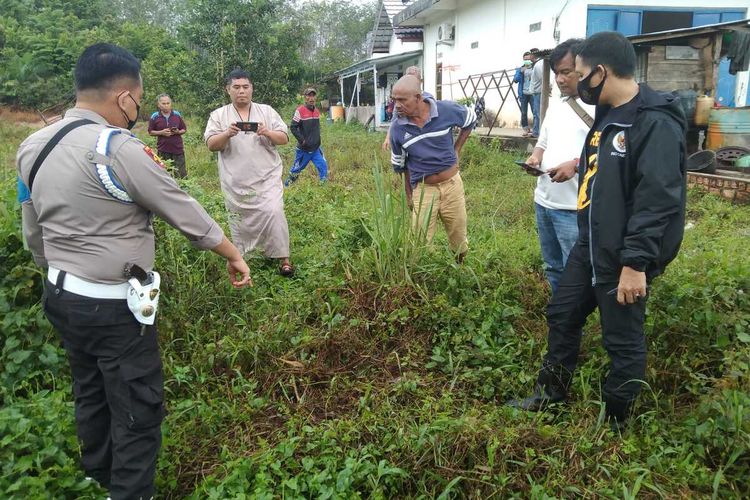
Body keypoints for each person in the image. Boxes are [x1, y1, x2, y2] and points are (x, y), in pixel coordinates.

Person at [16, 43, 251, 499]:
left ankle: (98, 474)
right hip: (112, 306)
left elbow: (33, 225)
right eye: (139, 100)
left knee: (89, 387)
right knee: (136, 405)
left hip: (61, 295)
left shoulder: (33, 145)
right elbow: (180, 208)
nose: (139, 109)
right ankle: (128, 491)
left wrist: (53, 271)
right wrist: (231, 253)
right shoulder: (116, 148)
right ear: (125, 97)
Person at [508, 31, 687, 430]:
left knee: (621, 338)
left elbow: (657, 200)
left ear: (602, 73)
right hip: (591, 240)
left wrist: (634, 264)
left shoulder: (653, 122)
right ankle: (550, 395)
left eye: (582, 74)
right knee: (563, 313)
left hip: (624, 254)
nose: (578, 83)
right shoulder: (610, 114)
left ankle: (614, 420)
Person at [204, 69, 294, 276]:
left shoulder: (266, 111)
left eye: (246, 87)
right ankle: (244, 257)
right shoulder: (219, 115)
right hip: (235, 180)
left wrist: (266, 132)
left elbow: (284, 138)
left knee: (274, 212)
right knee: (240, 220)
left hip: (266, 178)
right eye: (236, 87)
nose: (241, 91)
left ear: (252, 89)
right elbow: (211, 144)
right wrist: (227, 133)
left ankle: (284, 258)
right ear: (228, 90)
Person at [523, 38, 592, 295]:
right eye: (556, 74)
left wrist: (575, 165)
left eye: (566, 72)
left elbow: (607, 152)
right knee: (553, 266)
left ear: (584, 68)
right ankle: (560, 314)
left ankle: (574, 318)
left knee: (575, 268)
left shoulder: (601, 106)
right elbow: (544, 139)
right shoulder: (557, 102)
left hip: (573, 207)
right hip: (544, 200)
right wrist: (536, 158)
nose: (560, 80)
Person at [389, 75, 477, 262]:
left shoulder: (445, 110)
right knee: (419, 242)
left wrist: (457, 149)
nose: (397, 105)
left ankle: (460, 272)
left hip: (452, 185)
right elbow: (401, 166)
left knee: (458, 237)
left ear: (418, 98)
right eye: (394, 100)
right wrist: (409, 194)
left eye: (402, 100)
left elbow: (471, 118)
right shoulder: (397, 128)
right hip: (423, 190)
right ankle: (425, 280)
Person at [285, 87, 328, 186]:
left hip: (316, 149)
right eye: (309, 96)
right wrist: (302, 141)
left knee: (323, 167)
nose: (311, 98)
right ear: (305, 98)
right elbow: (293, 127)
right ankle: (286, 187)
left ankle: (324, 187)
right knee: (296, 171)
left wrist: (317, 140)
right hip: (304, 150)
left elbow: (315, 128)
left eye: (313, 95)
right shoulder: (300, 111)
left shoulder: (316, 111)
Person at [382, 65, 425, 151]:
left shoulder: (427, 99)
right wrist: (388, 138)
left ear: (420, 81)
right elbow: (394, 120)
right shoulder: (400, 101)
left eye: (414, 79)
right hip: (406, 136)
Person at [147, 93, 188, 178]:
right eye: (163, 103)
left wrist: (177, 132)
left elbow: (184, 129)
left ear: (171, 103)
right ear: (158, 105)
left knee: (181, 174)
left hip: (177, 149)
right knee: (165, 175)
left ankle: (183, 190)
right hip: (163, 150)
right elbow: (150, 132)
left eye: (168, 103)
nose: (166, 105)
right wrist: (161, 132)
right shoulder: (155, 116)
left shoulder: (177, 115)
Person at [513, 51, 533, 135]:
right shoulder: (520, 69)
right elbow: (515, 80)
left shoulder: (535, 67)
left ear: (531, 59)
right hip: (523, 94)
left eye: (528, 59)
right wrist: (520, 72)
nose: (527, 61)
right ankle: (525, 129)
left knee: (535, 112)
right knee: (524, 112)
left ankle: (536, 129)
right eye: (525, 60)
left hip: (532, 93)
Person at [527, 48, 543, 138]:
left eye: (530, 54)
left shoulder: (538, 65)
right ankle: (536, 131)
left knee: (537, 113)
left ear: (533, 55)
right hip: (537, 91)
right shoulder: (537, 64)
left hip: (538, 92)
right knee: (536, 113)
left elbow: (542, 78)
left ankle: (537, 132)